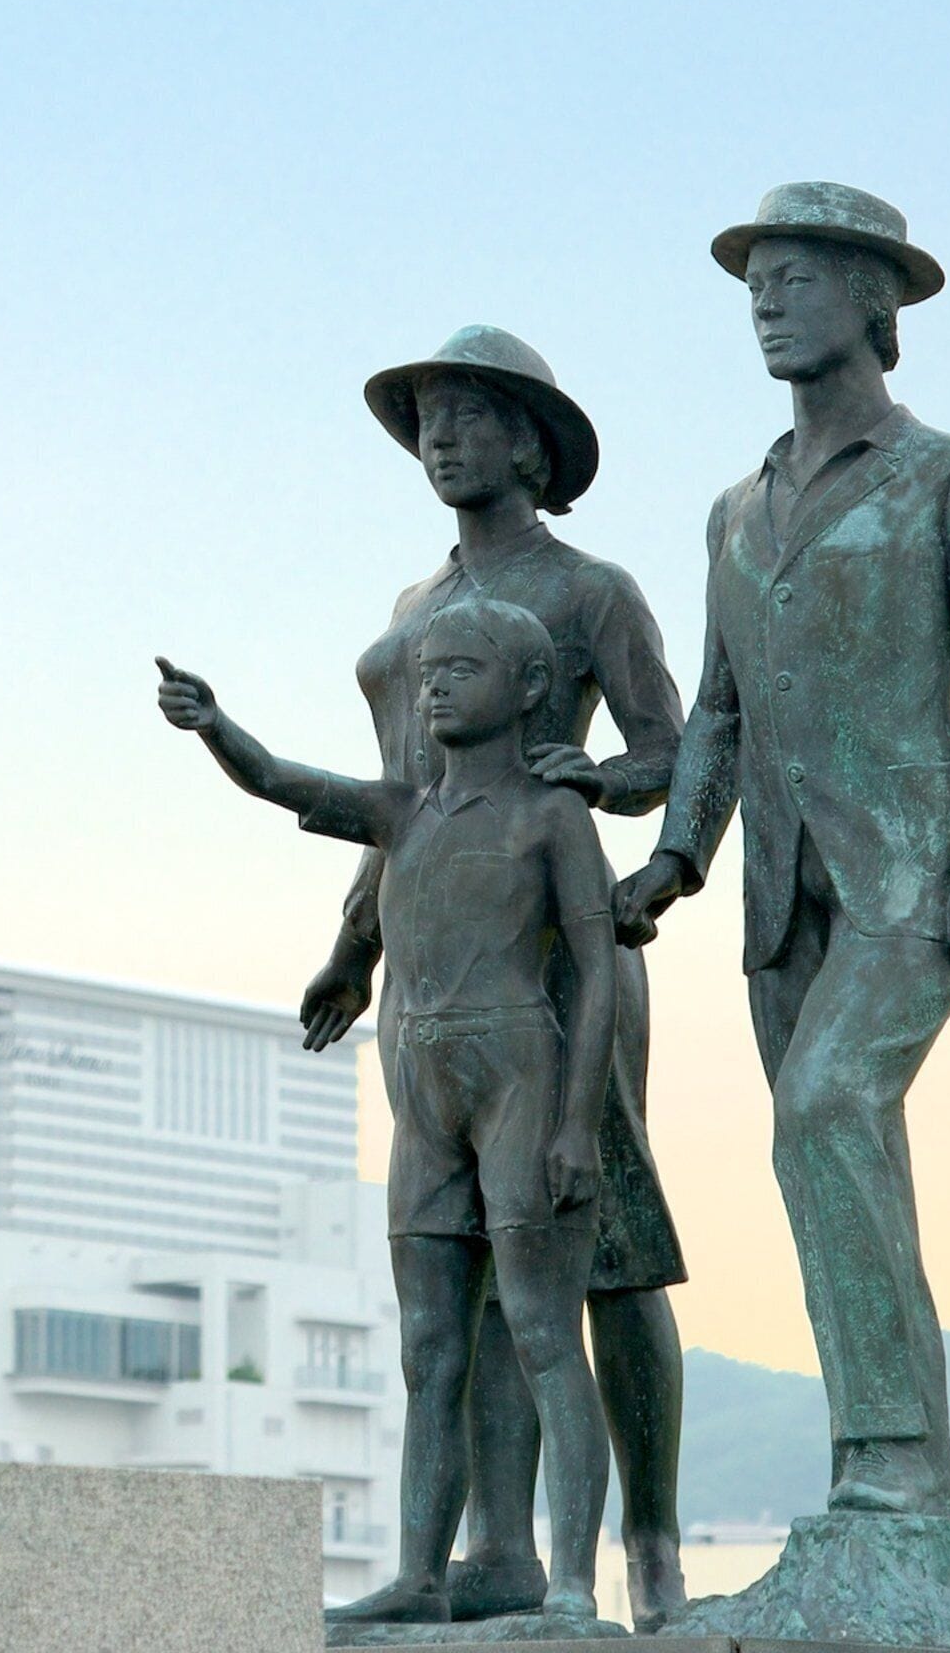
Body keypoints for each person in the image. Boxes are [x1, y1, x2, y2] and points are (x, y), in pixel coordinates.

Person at [613, 183, 950, 1520]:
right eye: (756, 280)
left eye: (797, 276)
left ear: (875, 301)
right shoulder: (731, 511)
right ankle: (891, 1472)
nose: (766, 300)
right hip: (775, 893)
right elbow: (719, 709)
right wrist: (676, 862)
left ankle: (891, 1470)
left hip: (910, 875)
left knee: (828, 1114)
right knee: (829, 1159)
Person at [297, 325, 689, 1626]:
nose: (443, 440)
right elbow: (402, 802)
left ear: (531, 440)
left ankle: (649, 1545)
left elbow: (673, 756)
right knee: (456, 1272)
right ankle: (489, 1555)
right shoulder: (418, 615)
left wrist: (600, 785)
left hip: (559, 953)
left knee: (609, 1252)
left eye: (469, 416)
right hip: (434, 966)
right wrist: (357, 942)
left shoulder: (590, 591)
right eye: (427, 422)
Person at [155, 601, 620, 1635]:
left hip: (520, 1073)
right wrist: (214, 725)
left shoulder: (551, 815)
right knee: (428, 1345)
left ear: (529, 688)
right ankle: (418, 1568)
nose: (436, 686)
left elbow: (595, 971)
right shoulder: (404, 811)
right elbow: (285, 783)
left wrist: (577, 1123)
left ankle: (577, 1580)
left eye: (462, 668)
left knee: (545, 1328)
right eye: (427, 671)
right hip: (421, 1087)